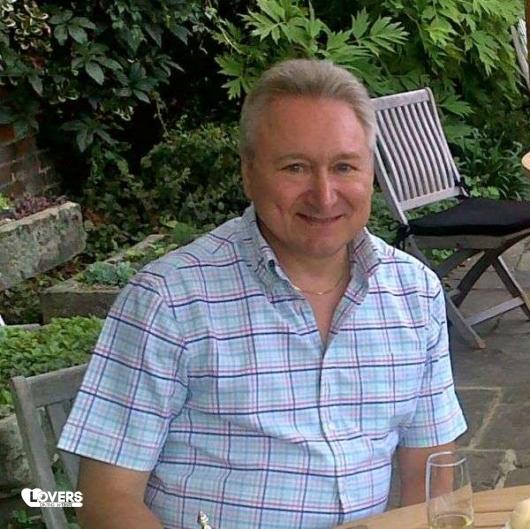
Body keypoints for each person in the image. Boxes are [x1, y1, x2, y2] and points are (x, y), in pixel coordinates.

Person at [58, 59, 467, 529]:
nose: (324, 195)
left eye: (344, 166)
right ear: (249, 173)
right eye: (295, 168)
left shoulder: (414, 293)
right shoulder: (168, 301)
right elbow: (105, 498)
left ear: (371, 173)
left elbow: (430, 469)